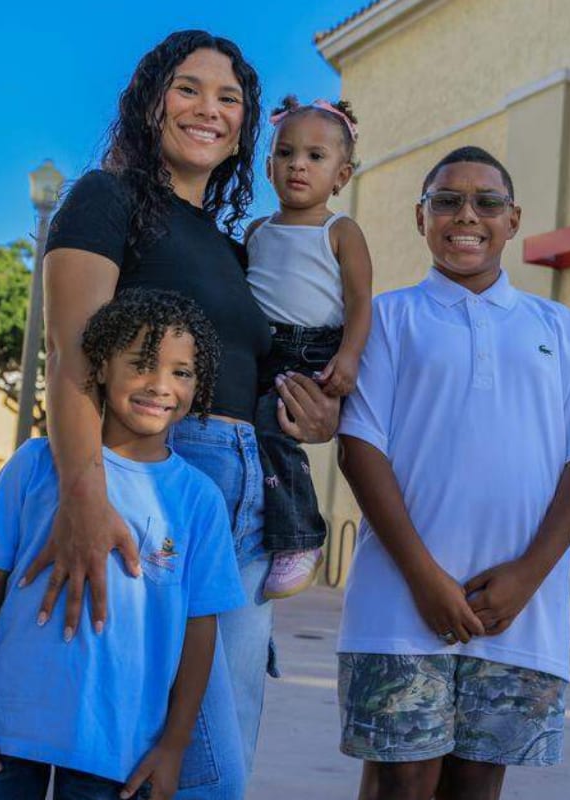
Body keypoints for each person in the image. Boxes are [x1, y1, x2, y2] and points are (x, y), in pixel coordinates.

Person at [19, 30, 339, 798]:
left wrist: (316, 419)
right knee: (158, 746)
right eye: (188, 88)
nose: (209, 109)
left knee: (222, 739)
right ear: (150, 101)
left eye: (229, 98)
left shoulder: (234, 251)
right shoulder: (107, 198)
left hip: (250, 501)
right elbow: (71, 357)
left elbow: (263, 374)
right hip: (150, 483)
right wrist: (85, 497)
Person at [336, 146, 570, 800]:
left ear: (513, 219)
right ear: (421, 216)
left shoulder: (557, 326)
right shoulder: (388, 318)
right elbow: (359, 448)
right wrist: (424, 578)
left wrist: (528, 575)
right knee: (399, 781)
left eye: (487, 202)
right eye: (447, 201)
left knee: (476, 785)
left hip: (518, 611)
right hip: (400, 603)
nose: (467, 215)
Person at [0, 289, 245, 800]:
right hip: (3, 734)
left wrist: (174, 745)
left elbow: (200, 629)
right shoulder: (35, 464)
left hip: (118, 751)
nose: (160, 385)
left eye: (182, 372)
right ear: (102, 366)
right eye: (141, 363)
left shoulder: (199, 499)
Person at [245, 95, 372, 599]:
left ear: (342, 176)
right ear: (268, 167)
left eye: (315, 156)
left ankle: (301, 539)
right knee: (244, 433)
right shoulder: (257, 230)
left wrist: (349, 356)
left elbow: (360, 301)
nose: (298, 164)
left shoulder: (340, 231)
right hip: (259, 347)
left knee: (272, 428)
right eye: (286, 153)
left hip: (310, 349)